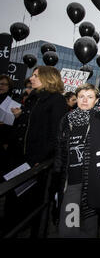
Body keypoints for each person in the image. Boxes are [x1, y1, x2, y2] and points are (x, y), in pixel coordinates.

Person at [9, 66, 68, 237]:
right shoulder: (32, 98)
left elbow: (56, 134)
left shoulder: (56, 101)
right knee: (14, 201)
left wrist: (39, 159)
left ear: (48, 78)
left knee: (35, 205)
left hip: (37, 163)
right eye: (32, 75)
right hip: (19, 158)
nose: (31, 78)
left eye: (36, 75)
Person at [54, 83, 100, 237]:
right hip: (72, 181)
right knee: (69, 225)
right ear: (76, 99)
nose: (85, 100)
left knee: (89, 225)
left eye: (89, 97)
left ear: (96, 100)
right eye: (81, 97)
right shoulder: (66, 119)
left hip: (92, 182)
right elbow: (60, 148)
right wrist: (57, 172)